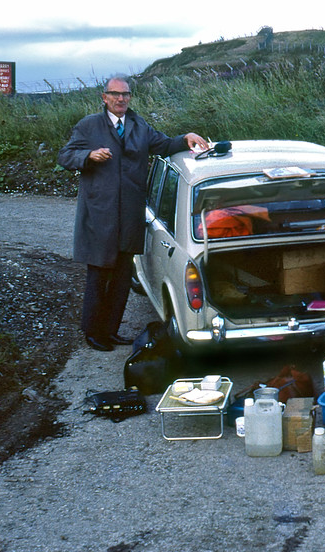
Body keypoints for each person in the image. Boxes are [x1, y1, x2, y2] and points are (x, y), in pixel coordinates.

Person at [57, 76, 208, 351]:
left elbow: (163, 145)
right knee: (99, 275)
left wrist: (185, 138)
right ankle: (92, 332)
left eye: (125, 94)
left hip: (129, 216)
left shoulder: (139, 126)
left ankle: (111, 331)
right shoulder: (89, 126)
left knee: (123, 277)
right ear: (104, 97)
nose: (121, 99)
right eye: (115, 94)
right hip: (100, 216)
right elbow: (65, 156)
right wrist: (88, 156)